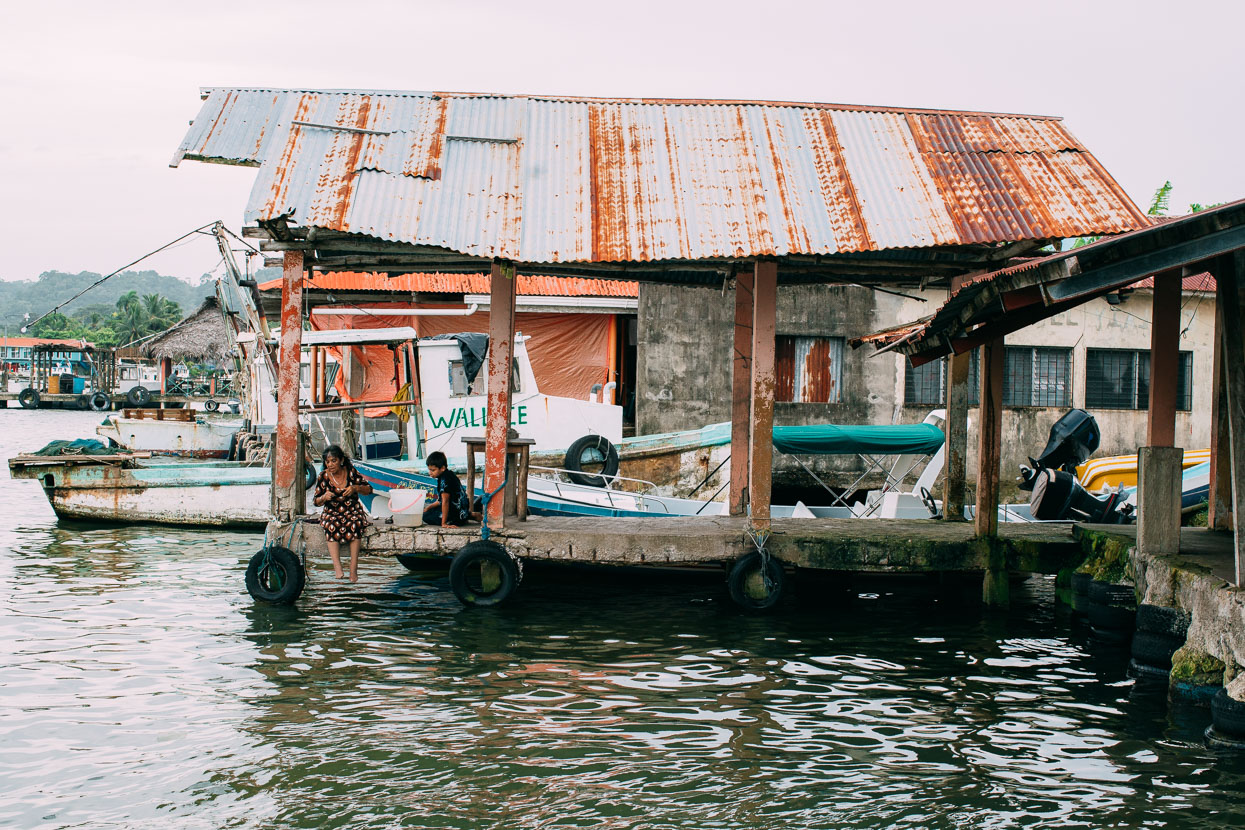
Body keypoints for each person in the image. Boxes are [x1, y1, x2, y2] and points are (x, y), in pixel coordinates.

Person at [312, 444, 373, 582]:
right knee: (330, 524)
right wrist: (324, 497)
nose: (330, 464)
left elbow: (369, 489)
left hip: (352, 509)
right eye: (327, 462)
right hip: (332, 511)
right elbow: (316, 501)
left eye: (333, 461)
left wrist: (355, 488)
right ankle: (337, 567)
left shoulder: (351, 472)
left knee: (356, 523)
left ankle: (353, 569)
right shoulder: (323, 476)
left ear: (341, 460)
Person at [423, 450, 470, 527]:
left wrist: (443, 523)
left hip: (456, 516)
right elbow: (440, 501)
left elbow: (445, 501)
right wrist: (428, 507)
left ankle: (451, 520)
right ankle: (470, 515)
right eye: (429, 469)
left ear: (442, 468)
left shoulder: (444, 481)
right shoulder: (450, 474)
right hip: (463, 512)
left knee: (425, 516)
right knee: (429, 510)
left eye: (433, 470)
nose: (430, 473)